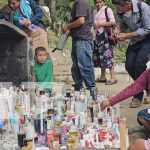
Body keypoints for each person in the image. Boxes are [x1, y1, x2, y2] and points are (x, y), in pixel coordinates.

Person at [111, 0, 150, 107]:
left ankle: (138, 96)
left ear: (127, 3)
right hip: (135, 40)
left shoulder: (143, 7)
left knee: (139, 65)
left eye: (119, 7)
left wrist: (126, 36)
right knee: (129, 66)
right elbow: (124, 24)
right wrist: (119, 31)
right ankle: (146, 86)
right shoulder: (122, 12)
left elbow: (147, 29)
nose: (118, 9)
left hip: (147, 40)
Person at [100, 69, 150, 150]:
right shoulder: (148, 73)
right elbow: (134, 87)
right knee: (142, 115)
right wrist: (110, 101)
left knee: (135, 145)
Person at [62, 0, 96, 94]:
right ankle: (78, 88)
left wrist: (68, 26)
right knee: (76, 66)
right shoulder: (78, 3)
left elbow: (81, 21)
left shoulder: (81, 2)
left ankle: (91, 90)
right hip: (78, 39)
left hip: (83, 39)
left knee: (84, 65)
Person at [93, 0, 117, 85]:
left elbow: (113, 22)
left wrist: (100, 24)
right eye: (97, 2)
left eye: (100, 2)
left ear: (104, 2)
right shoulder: (95, 11)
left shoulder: (108, 9)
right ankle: (103, 76)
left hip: (106, 36)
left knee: (108, 56)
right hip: (98, 36)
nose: (99, 4)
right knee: (100, 56)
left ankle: (113, 77)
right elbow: (94, 24)